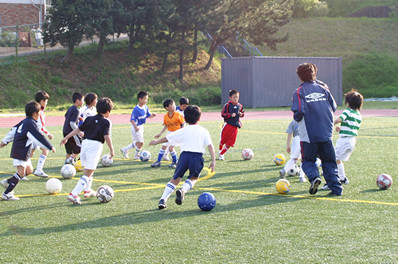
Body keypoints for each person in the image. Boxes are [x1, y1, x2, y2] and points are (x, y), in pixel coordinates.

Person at [149, 105, 216, 210]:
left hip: (184, 156)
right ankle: (183, 190)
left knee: (175, 178)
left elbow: (167, 138)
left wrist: (156, 142)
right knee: (194, 178)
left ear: (185, 118)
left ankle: (163, 199)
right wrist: (213, 160)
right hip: (196, 156)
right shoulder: (203, 130)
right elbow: (210, 146)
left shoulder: (183, 130)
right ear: (199, 118)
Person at [291, 63, 342, 196]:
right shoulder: (323, 87)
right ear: (314, 74)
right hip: (326, 132)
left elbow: (299, 111)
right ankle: (336, 188)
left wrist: (296, 117)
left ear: (300, 77)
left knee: (308, 160)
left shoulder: (299, 91)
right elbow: (334, 106)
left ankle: (314, 178)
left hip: (309, 134)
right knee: (329, 161)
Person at [60, 98, 115, 205]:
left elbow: (78, 130)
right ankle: (74, 194)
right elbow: (107, 136)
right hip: (95, 147)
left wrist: (66, 137)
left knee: (90, 170)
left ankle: (87, 190)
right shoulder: (107, 121)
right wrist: (112, 150)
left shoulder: (89, 118)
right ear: (108, 112)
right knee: (87, 173)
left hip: (84, 145)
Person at [0, 101, 55, 201]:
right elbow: (38, 137)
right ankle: (6, 193)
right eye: (39, 113)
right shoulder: (31, 123)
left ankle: (8, 182)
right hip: (21, 150)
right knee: (21, 172)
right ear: (35, 113)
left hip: (23, 150)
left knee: (29, 170)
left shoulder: (25, 121)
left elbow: (13, 130)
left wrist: (4, 141)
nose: (39, 114)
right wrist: (50, 147)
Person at [321, 90, 363, 190]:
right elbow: (352, 128)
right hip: (351, 141)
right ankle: (343, 178)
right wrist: (342, 129)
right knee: (337, 160)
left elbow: (340, 119)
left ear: (348, 102)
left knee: (332, 160)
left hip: (344, 141)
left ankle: (332, 182)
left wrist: (330, 125)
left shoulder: (347, 111)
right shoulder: (358, 114)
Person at [120, 91, 156, 160]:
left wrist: (153, 115)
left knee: (137, 142)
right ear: (140, 99)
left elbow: (148, 116)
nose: (146, 101)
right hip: (136, 127)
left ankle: (125, 149)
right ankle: (136, 155)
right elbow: (132, 120)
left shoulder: (145, 107)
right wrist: (136, 127)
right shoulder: (136, 109)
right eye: (145, 99)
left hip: (141, 126)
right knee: (141, 142)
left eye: (147, 99)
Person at [151, 99, 185, 168]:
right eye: (172, 105)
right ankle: (158, 161)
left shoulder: (178, 115)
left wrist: (181, 132)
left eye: (175, 104)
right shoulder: (165, 116)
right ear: (167, 108)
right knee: (163, 147)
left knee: (171, 148)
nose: (175, 106)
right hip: (170, 133)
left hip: (177, 133)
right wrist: (160, 133)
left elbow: (183, 124)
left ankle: (175, 162)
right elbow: (166, 125)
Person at [31, 91, 54, 177]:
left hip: (32, 134)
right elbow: (40, 126)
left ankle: (24, 171)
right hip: (35, 134)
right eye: (46, 101)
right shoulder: (39, 111)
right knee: (45, 150)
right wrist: (48, 134)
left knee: (31, 153)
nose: (47, 103)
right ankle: (38, 170)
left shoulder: (34, 109)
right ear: (42, 101)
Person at [218, 89, 244, 160]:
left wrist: (241, 114)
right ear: (230, 97)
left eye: (237, 97)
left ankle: (221, 153)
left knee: (230, 143)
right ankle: (220, 150)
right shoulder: (227, 105)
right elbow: (223, 114)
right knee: (223, 140)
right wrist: (230, 115)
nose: (236, 99)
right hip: (228, 125)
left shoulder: (240, 106)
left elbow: (242, 113)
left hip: (235, 127)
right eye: (234, 97)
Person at [163, 96, 189, 161]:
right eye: (183, 106)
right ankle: (165, 154)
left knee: (181, 143)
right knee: (170, 142)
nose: (185, 108)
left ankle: (183, 156)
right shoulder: (175, 110)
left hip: (182, 129)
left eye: (186, 106)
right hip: (174, 130)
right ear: (180, 105)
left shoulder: (187, 110)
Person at [63, 92, 84, 165]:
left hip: (65, 131)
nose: (83, 102)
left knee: (69, 150)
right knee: (81, 146)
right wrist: (78, 132)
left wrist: (78, 117)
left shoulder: (70, 108)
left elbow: (66, 116)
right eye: (82, 100)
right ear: (78, 100)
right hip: (71, 132)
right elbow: (72, 123)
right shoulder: (77, 110)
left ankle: (66, 165)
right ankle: (71, 160)